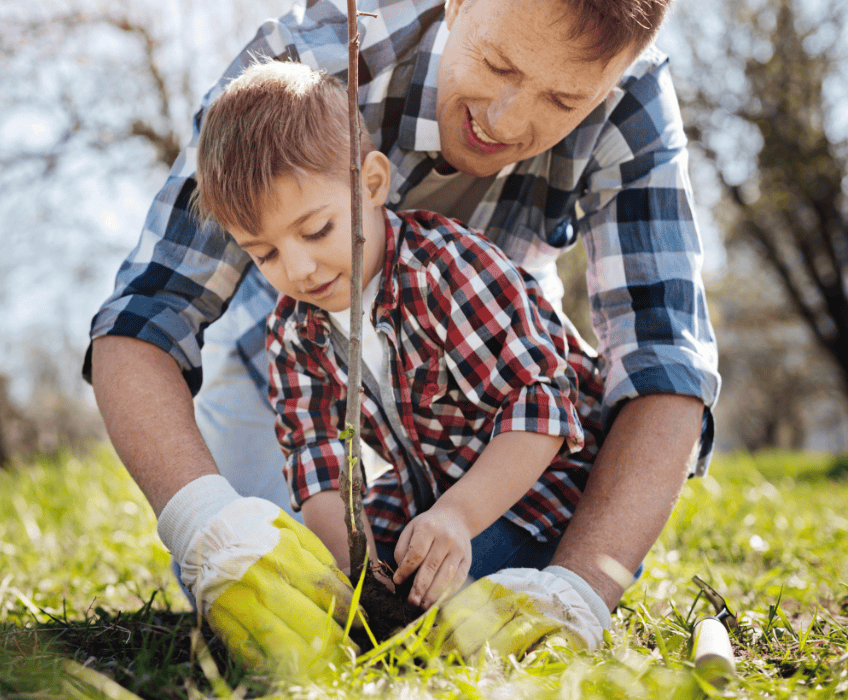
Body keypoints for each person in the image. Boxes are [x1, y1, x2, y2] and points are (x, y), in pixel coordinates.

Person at [86, 0, 720, 672]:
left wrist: (581, 589)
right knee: (276, 597)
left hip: (488, 375)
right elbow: (147, 312)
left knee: (481, 590)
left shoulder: (630, 100)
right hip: (301, 372)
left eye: (564, 100)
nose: (505, 122)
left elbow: (662, 359)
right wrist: (204, 523)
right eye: (497, 63)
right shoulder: (303, 70)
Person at [195, 60, 608, 626]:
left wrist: (459, 517)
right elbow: (318, 461)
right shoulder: (294, 331)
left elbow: (541, 408)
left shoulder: (451, 268)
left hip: (539, 483)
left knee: (443, 606)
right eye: (263, 253)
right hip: (427, 489)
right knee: (332, 585)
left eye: (316, 230)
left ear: (371, 184)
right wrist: (352, 582)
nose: (298, 267)